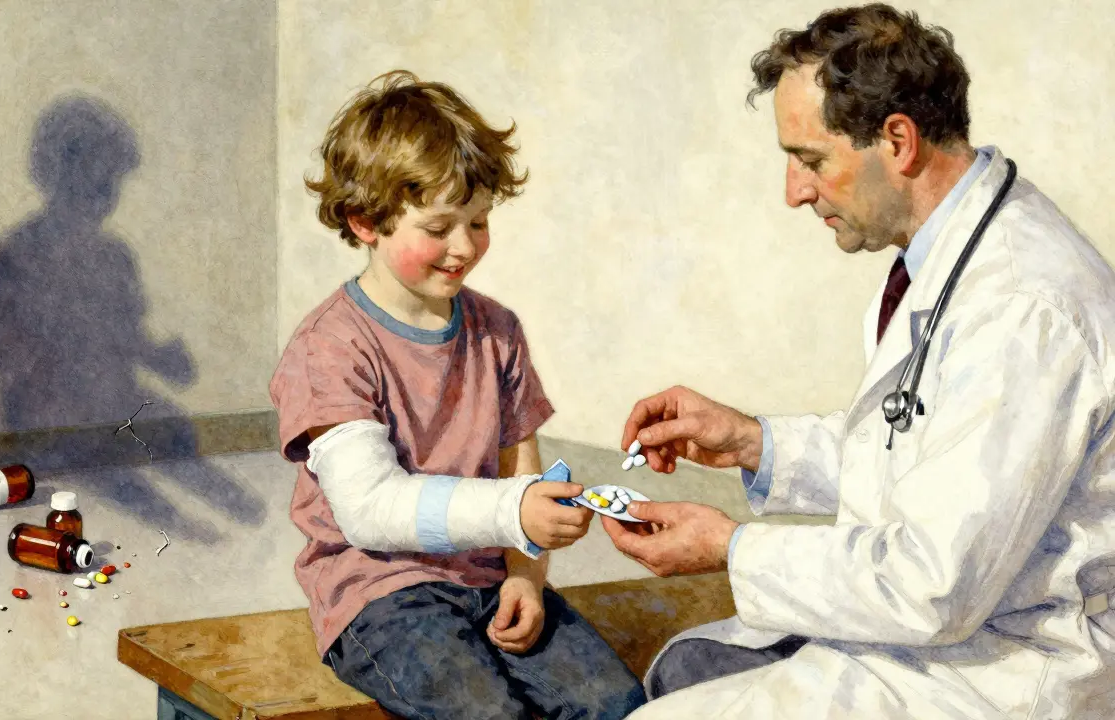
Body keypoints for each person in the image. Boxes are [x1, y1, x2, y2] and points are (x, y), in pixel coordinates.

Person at [603, 4, 1115, 718]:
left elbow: (934, 587)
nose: (795, 193)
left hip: (1005, 675)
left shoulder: (1026, 307)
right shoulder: (948, 253)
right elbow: (919, 454)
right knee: (686, 667)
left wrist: (731, 548)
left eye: (811, 160)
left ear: (897, 141)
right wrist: (754, 443)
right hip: (936, 641)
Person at [269, 70, 646, 719]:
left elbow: (517, 464)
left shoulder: (498, 331)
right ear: (366, 221)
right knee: (486, 713)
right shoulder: (329, 348)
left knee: (617, 703)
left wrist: (526, 576)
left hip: (486, 580)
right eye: (439, 227)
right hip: (379, 595)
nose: (465, 247)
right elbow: (369, 511)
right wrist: (514, 512)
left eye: (478, 221)